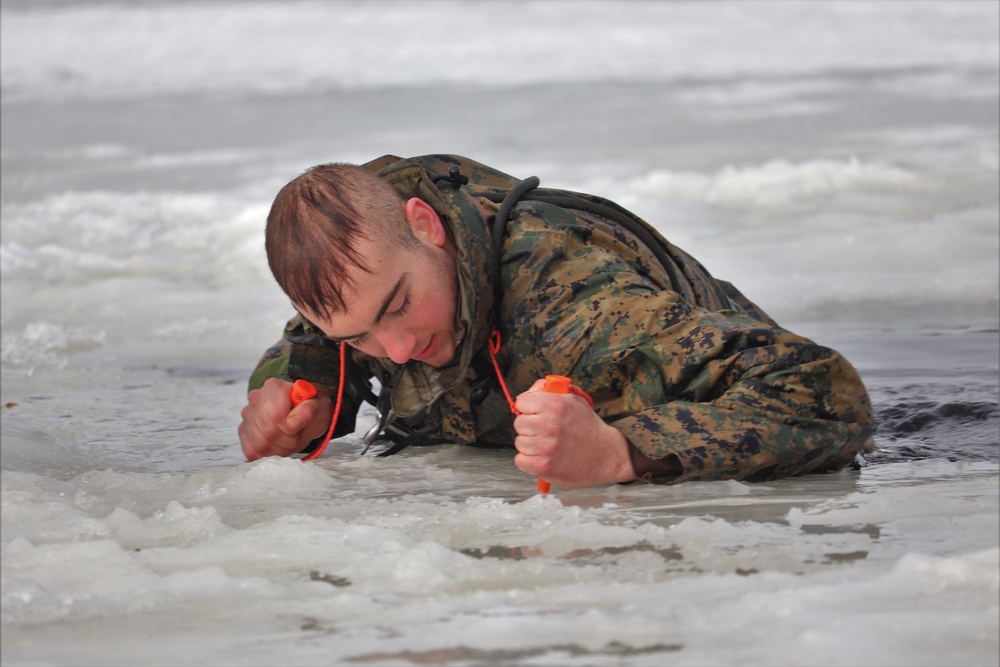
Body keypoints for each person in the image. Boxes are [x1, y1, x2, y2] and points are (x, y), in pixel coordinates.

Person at [238, 154, 875, 488]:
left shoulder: (575, 303)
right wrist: (296, 396)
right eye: (359, 337)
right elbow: (313, 338)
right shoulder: (370, 272)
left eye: (400, 308)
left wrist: (620, 453)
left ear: (426, 228)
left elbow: (823, 392)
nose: (397, 351)